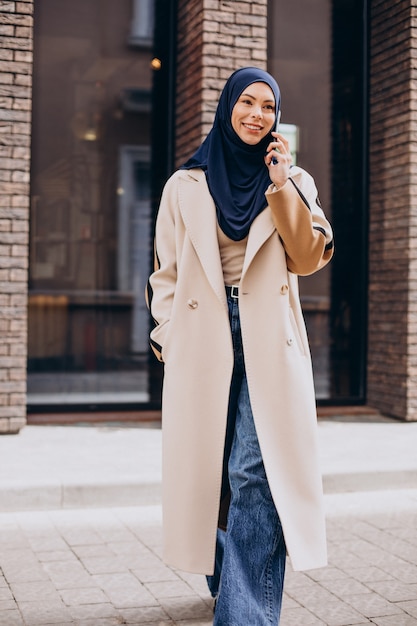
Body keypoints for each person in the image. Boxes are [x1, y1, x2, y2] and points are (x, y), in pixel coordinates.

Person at [146, 66, 334, 625]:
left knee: (255, 469)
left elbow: (307, 257)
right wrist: (168, 336)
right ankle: (225, 570)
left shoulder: (293, 182)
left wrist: (280, 187)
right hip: (204, 337)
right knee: (213, 470)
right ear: (228, 106)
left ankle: (244, 614)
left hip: (267, 336)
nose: (257, 115)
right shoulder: (185, 185)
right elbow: (165, 273)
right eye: (247, 102)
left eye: (268, 107)